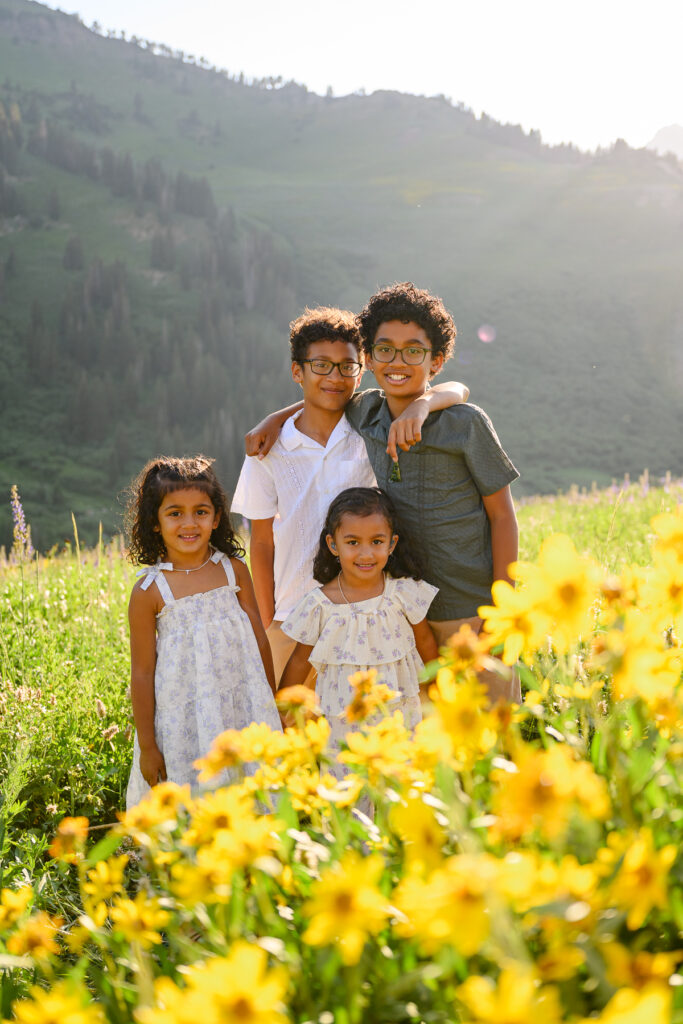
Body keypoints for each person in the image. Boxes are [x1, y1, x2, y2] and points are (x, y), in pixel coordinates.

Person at [247, 283, 520, 704]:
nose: (398, 361)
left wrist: (505, 608)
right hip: (404, 616)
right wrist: (274, 419)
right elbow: (327, 396)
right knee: (423, 739)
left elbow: (503, 515)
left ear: (437, 359)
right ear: (370, 360)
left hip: (473, 608)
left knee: (490, 731)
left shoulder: (464, 425)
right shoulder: (367, 413)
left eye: (414, 350)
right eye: (385, 350)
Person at [231, 306, 469, 688]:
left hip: (365, 614)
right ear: (297, 371)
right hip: (291, 614)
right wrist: (268, 617)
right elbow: (261, 541)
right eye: (321, 365)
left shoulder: (372, 428)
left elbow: (455, 389)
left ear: (362, 370)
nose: (335, 377)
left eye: (347, 367)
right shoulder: (268, 449)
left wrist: (422, 404)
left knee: (358, 724)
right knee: (285, 727)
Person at [125, 455, 281, 809]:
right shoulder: (149, 591)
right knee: (192, 807)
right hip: (184, 721)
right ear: (154, 522)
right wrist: (148, 745)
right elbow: (143, 672)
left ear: (216, 518)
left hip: (242, 708)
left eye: (201, 511)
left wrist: (272, 702)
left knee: (252, 795)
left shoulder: (233, 571)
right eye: (175, 513)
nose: (189, 523)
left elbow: (259, 639)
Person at [278, 487, 438, 775]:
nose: (366, 553)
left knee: (402, 775)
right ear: (333, 544)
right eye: (353, 542)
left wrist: (439, 687)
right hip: (344, 714)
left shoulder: (402, 592)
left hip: (398, 707)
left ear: (392, 544)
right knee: (349, 779)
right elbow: (301, 660)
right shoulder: (321, 604)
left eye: (377, 541)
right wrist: (283, 707)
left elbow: (424, 640)